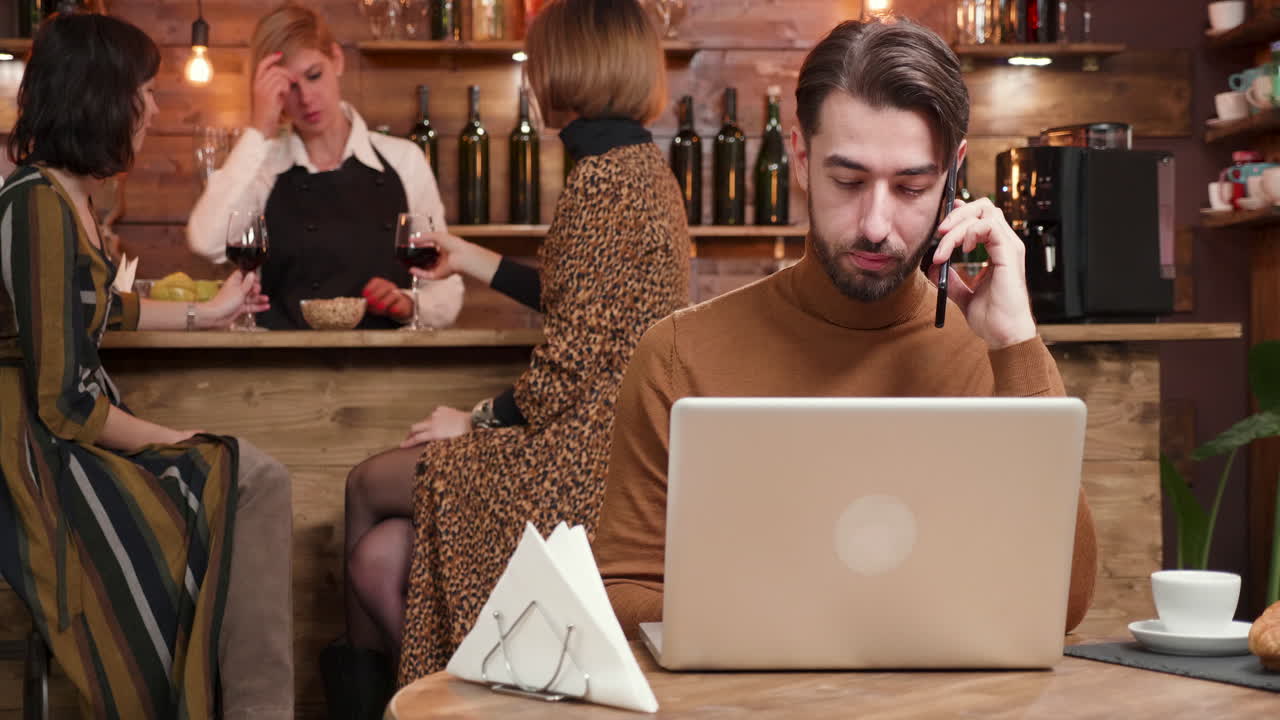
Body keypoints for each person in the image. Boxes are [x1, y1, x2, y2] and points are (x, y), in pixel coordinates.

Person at [592, 16, 1098, 638]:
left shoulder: (993, 354)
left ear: (953, 174)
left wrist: (1017, 345)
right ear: (801, 158)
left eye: (912, 186)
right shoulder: (678, 355)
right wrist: (800, 619)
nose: (876, 225)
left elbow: (1063, 604)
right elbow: (624, 592)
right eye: (848, 181)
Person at [328, 0, 690, 707]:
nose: (533, 78)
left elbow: (567, 364)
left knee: (366, 486)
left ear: (572, 68)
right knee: (379, 557)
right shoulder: (640, 168)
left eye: (539, 61)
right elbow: (579, 297)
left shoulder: (600, 181)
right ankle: (435, 703)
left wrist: (476, 419)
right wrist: (468, 257)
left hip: (578, 464)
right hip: (614, 451)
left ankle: (411, 703)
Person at [0, 13, 294, 720]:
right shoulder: (36, 204)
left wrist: (207, 313)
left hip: (55, 443)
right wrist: (177, 438)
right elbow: (64, 403)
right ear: (102, 97)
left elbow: (100, 306)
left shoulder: (64, 195)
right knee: (247, 475)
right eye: (146, 91)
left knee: (248, 476)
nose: (155, 109)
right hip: (36, 463)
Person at [186, 2, 456, 330]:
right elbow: (207, 242)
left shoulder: (404, 160)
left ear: (337, 59)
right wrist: (258, 129)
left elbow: (445, 288)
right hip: (283, 358)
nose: (306, 98)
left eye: (314, 75)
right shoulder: (264, 167)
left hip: (384, 359)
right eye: (288, 87)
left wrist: (409, 304)